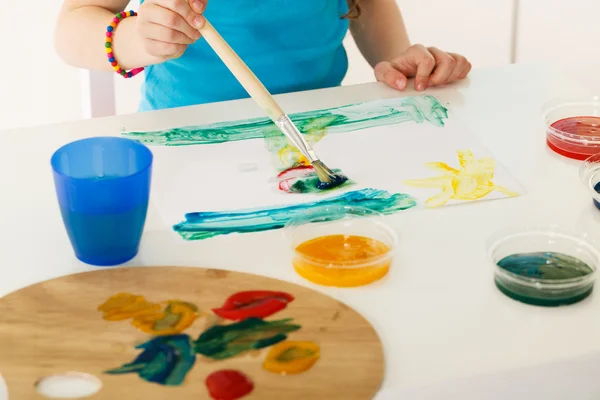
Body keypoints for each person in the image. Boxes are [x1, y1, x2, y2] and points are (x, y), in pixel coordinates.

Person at [55, 0, 471, 112]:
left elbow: (368, 4)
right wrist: (138, 39)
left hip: (320, 134)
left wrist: (398, 60)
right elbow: (71, 27)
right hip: (188, 142)